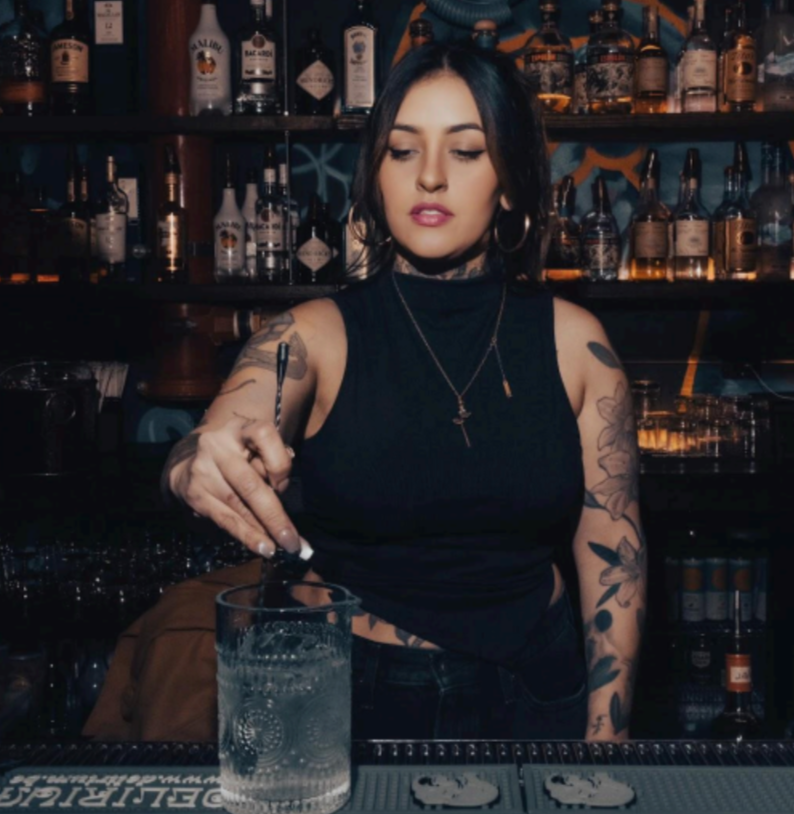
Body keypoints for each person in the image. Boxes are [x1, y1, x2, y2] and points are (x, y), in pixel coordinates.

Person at [95, 41, 646, 743]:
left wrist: (608, 742)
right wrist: (197, 457)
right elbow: (230, 419)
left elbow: (614, 560)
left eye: (467, 151)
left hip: (531, 691)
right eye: (402, 150)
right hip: (345, 693)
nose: (431, 178)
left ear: (508, 179)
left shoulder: (578, 345)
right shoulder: (314, 334)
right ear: (377, 175)